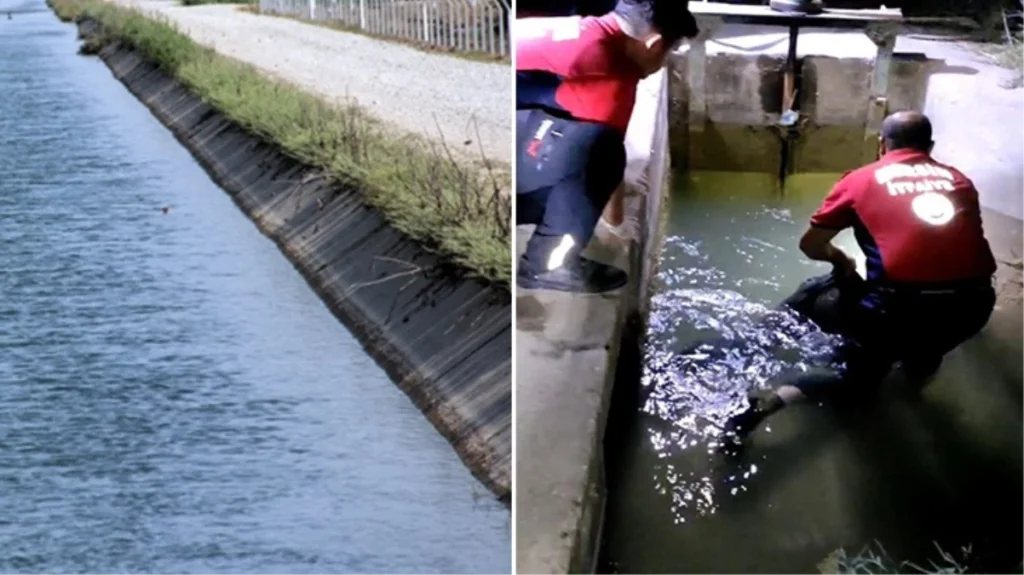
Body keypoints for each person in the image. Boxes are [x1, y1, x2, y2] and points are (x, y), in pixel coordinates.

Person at [726, 110, 998, 440]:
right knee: (927, 341)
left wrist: (841, 260)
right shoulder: (960, 180)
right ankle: (916, 376)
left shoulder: (860, 180)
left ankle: (773, 397)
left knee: (848, 366)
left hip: (895, 316)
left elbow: (811, 245)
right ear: (930, 146)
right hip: (973, 311)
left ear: (882, 144)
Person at [515, 0, 699, 293]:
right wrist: (615, 223)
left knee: (591, 148)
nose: (664, 62)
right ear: (653, 43)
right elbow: (606, 159)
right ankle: (546, 265)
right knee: (600, 152)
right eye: (669, 51)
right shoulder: (604, 67)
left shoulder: (596, 33)